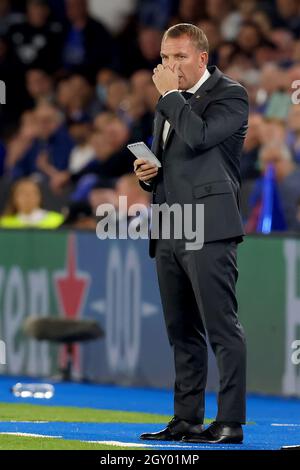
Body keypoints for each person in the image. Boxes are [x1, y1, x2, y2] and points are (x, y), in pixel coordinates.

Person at [134, 23, 249, 444]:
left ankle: (231, 421)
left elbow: (200, 138)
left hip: (209, 227)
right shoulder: (169, 103)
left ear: (202, 58)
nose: (170, 65)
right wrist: (148, 176)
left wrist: (169, 96)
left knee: (222, 327)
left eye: (179, 57)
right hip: (168, 227)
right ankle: (186, 419)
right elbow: (172, 164)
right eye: (165, 57)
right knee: (181, 329)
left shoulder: (230, 95)